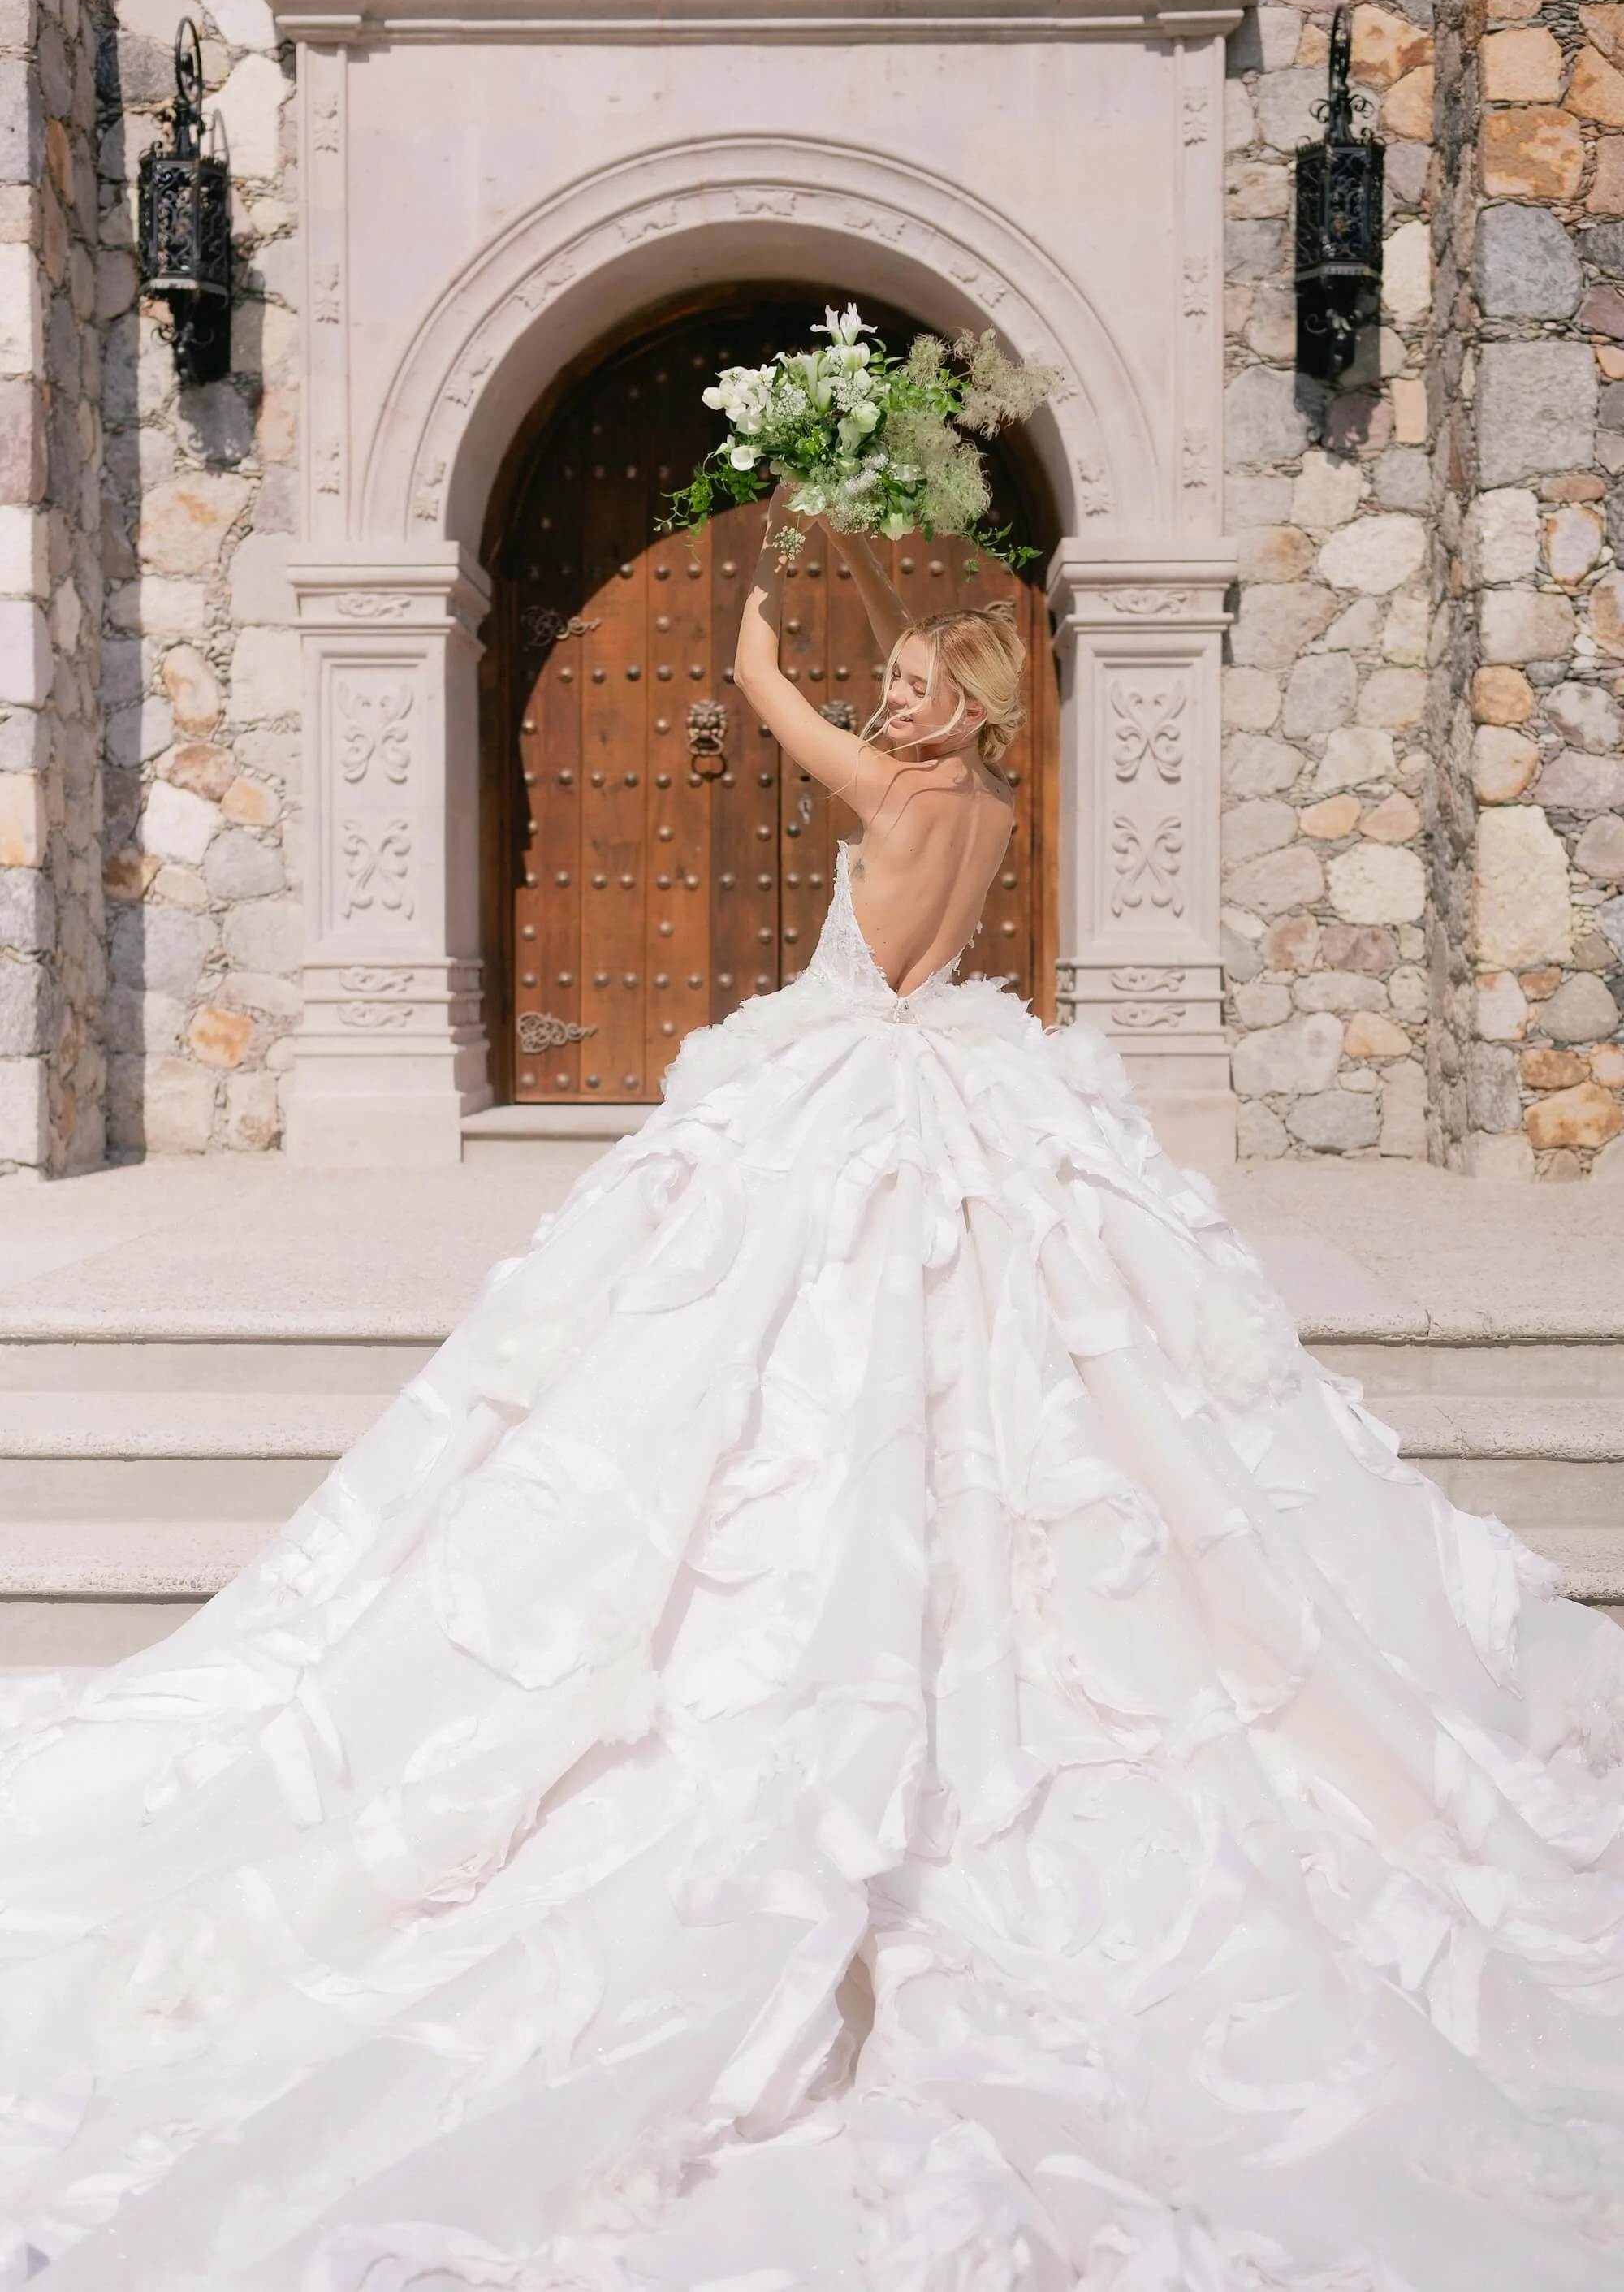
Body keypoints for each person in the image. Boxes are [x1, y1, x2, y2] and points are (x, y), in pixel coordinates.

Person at [2, 483, 1623, 2292]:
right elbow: (927, 923)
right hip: (954, 1073)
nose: (899, 698)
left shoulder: (902, 790)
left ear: (973, 717)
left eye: (929, 682)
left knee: (761, 1354)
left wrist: (763, 615)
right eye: (900, 678)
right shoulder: (996, 810)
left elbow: (773, 711)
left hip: (852, 1086)